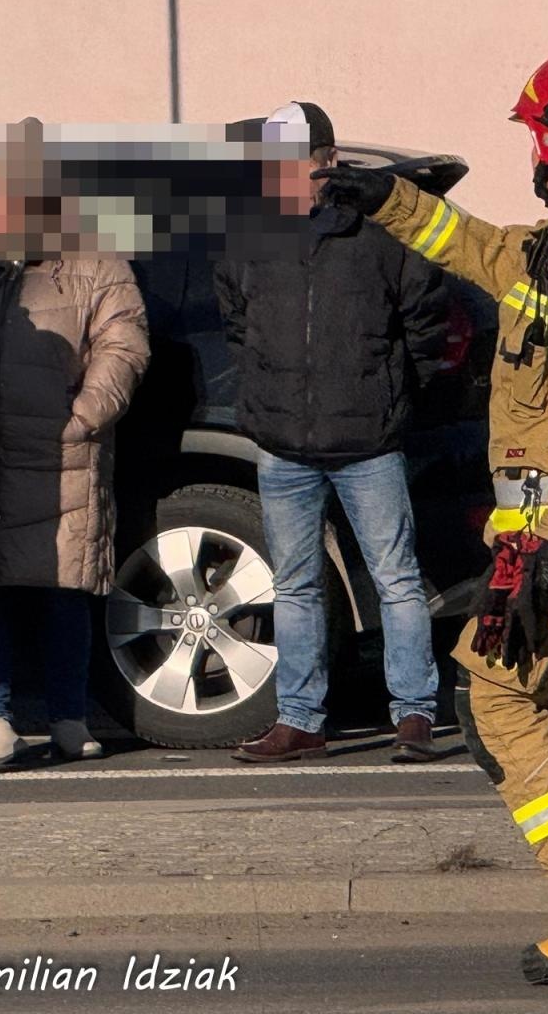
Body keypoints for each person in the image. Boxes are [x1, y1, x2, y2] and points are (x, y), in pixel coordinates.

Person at [323, 49, 548, 983]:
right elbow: (486, 251)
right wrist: (390, 200)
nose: (530, 150)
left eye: (536, 134)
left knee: (492, 703)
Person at [214, 101, 445, 765]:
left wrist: (398, 395)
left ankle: (415, 715)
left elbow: (426, 320)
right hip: (282, 440)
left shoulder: (379, 229)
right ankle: (300, 720)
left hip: (368, 440)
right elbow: (237, 317)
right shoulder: (251, 230)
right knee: (295, 584)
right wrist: (263, 389)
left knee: (396, 579)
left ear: (327, 160)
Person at [0, 117, 150, 766]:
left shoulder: (94, 263)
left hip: (61, 457)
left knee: (64, 593)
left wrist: (84, 415)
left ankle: (69, 716)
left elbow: (122, 345)